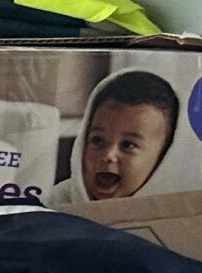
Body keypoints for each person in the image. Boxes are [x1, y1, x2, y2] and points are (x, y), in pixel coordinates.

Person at [66, 70, 179, 201]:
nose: (108, 155)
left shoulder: (176, 207)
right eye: (97, 141)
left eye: (128, 145)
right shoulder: (54, 202)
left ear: (162, 158)